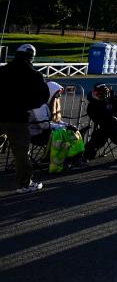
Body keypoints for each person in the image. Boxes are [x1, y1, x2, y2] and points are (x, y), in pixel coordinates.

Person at [0, 44, 50, 193]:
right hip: (17, 117)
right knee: (21, 151)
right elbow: (43, 97)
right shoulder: (34, 75)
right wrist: (27, 105)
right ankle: (24, 183)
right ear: (31, 57)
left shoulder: (2, 70)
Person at [83, 83, 117, 159]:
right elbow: (97, 119)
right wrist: (111, 118)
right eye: (99, 94)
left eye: (105, 94)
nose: (102, 96)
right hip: (106, 127)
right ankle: (86, 157)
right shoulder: (93, 105)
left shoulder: (115, 98)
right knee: (98, 136)